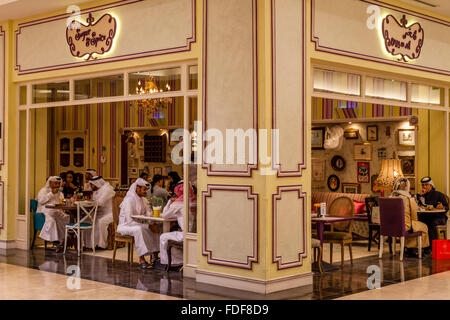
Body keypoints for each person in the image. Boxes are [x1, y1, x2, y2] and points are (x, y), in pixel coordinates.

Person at [117, 178, 160, 269]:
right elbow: (129, 220)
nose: (146, 192)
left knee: (155, 228)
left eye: (147, 190)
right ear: (137, 188)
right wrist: (148, 225)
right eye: (144, 189)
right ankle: (141, 259)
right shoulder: (129, 200)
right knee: (139, 229)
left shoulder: (144, 200)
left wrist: (152, 222)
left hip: (138, 225)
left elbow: (149, 215)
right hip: (125, 226)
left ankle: (155, 257)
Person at [391, 177, 429, 257]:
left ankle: (408, 249)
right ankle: (420, 250)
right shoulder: (408, 199)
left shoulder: (390, 198)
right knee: (423, 226)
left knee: (413, 227)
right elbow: (414, 216)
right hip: (405, 226)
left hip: (392, 226)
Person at [159, 182, 195, 267]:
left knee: (163, 236)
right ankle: (181, 259)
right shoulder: (195, 200)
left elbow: (164, 215)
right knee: (173, 232)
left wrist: (169, 202)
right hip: (195, 234)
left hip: (185, 234)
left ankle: (171, 263)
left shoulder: (178, 203)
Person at [37, 176, 70, 253]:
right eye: (55, 183)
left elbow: (61, 202)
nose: (57, 185)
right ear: (50, 183)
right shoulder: (43, 190)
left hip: (56, 211)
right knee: (51, 220)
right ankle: (56, 241)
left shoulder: (59, 192)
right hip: (44, 210)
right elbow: (41, 201)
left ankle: (64, 240)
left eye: (59, 183)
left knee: (66, 218)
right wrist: (51, 193)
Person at [83, 176, 115, 250]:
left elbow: (100, 202)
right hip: (98, 212)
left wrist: (89, 202)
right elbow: (95, 202)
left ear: (96, 183)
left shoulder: (108, 189)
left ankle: (102, 245)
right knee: (86, 220)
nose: (91, 186)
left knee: (101, 222)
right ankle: (89, 245)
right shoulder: (97, 190)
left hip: (110, 213)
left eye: (92, 184)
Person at [417, 176, 449, 250]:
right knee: (418, 222)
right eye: (423, 185)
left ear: (431, 185)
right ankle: (421, 246)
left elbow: (446, 207)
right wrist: (419, 196)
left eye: (426, 185)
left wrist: (442, 207)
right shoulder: (421, 195)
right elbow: (417, 205)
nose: (424, 187)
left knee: (431, 223)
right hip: (426, 216)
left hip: (439, 217)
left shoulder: (438, 194)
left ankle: (433, 247)